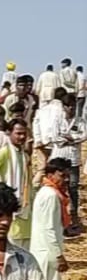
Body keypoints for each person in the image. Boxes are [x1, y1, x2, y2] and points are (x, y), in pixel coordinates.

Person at [30, 159, 71, 280]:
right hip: (47, 252)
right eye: (62, 175)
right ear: (51, 174)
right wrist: (58, 255)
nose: (65, 179)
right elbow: (48, 229)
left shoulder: (49, 194)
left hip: (45, 250)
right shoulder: (50, 196)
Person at [0, 119, 32, 249]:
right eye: (18, 133)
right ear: (9, 133)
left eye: (24, 134)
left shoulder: (24, 155)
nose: (22, 137)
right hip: (10, 208)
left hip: (24, 207)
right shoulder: (5, 152)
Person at [50, 93, 85, 235]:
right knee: (59, 188)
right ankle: (60, 217)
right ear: (64, 107)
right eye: (68, 106)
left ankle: (74, 214)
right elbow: (54, 137)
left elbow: (83, 135)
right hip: (59, 157)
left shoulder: (80, 121)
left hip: (73, 158)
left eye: (73, 106)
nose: (71, 108)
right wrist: (69, 139)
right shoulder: (58, 120)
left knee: (73, 187)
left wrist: (72, 138)